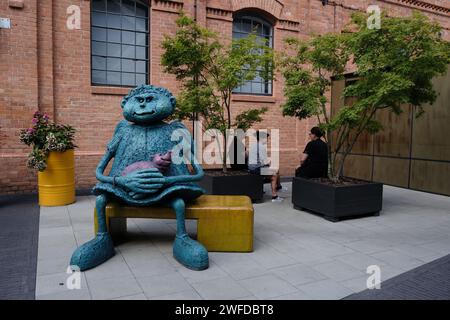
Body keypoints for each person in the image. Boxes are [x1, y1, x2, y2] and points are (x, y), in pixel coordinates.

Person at [248, 131, 284, 203]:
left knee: (275, 170)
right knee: (274, 175)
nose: (267, 140)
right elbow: (264, 161)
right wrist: (269, 163)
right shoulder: (261, 147)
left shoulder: (253, 145)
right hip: (257, 169)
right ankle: (274, 196)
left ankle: (278, 187)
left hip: (251, 168)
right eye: (266, 138)